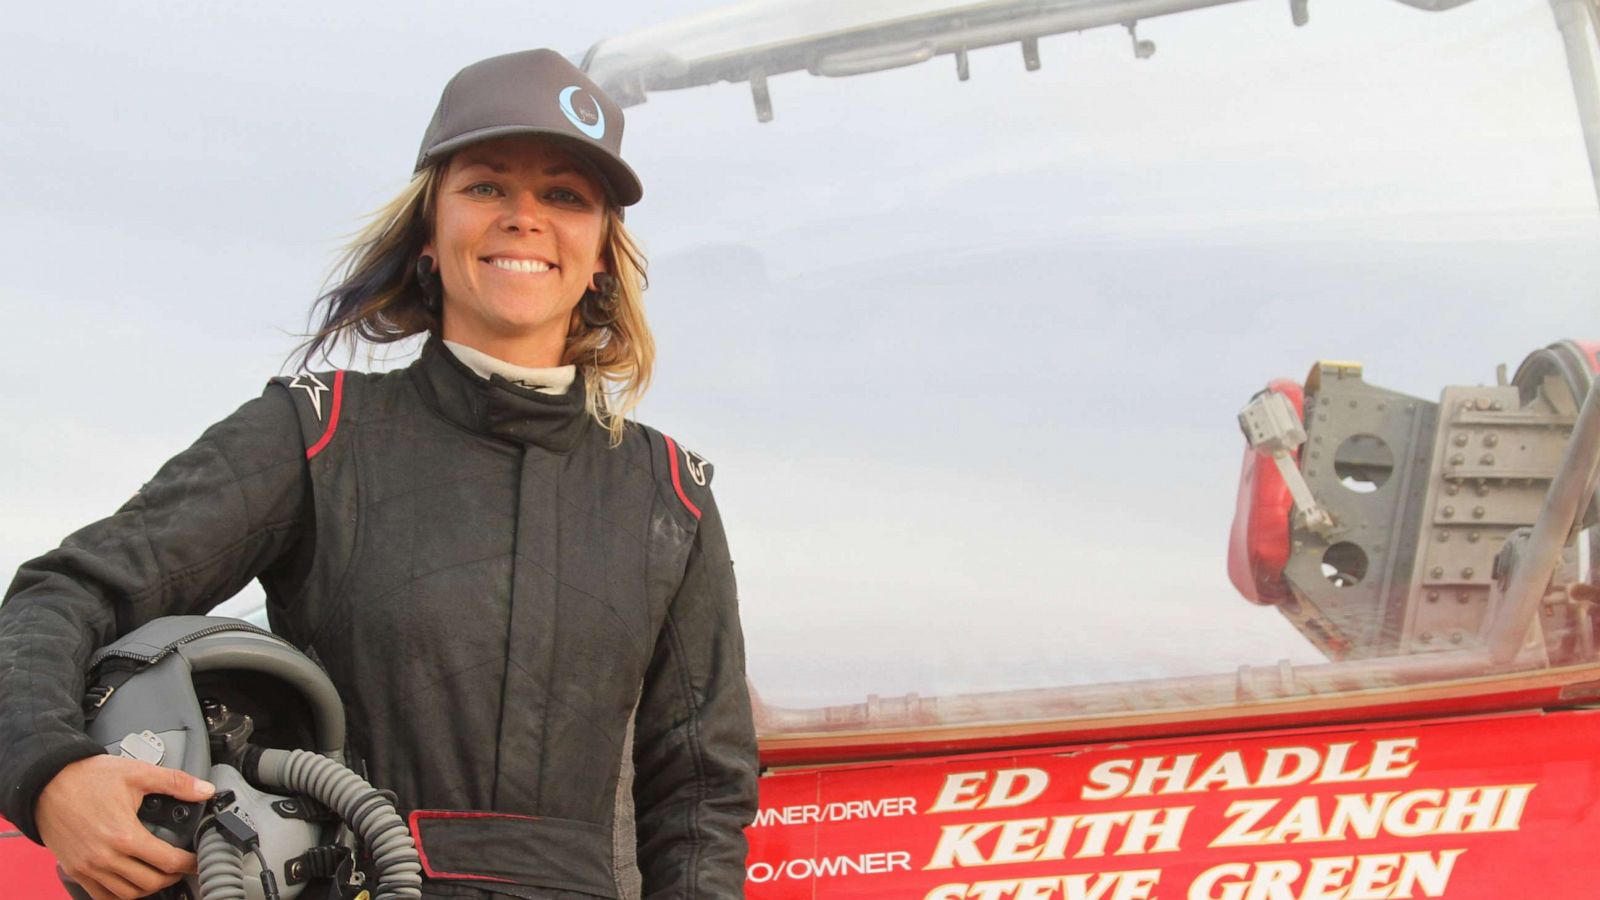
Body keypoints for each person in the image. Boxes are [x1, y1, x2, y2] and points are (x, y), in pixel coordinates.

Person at [0, 49, 759, 900]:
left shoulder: (670, 492)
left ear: (600, 257)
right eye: (484, 186)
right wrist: (49, 776)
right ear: (430, 236)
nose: (524, 217)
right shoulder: (315, 432)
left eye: (564, 197)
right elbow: (58, 593)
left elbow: (700, 794)